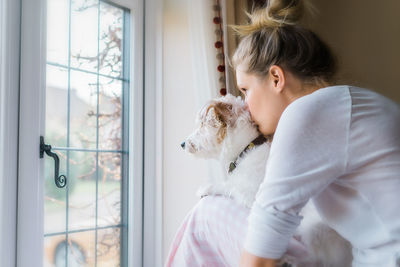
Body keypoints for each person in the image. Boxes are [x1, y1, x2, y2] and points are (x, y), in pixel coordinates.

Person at [232, 0, 400, 267]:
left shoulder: (308, 113)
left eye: (245, 90)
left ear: (276, 78)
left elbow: (260, 254)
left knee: (210, 216)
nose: (244, 107)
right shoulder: (346, 103)